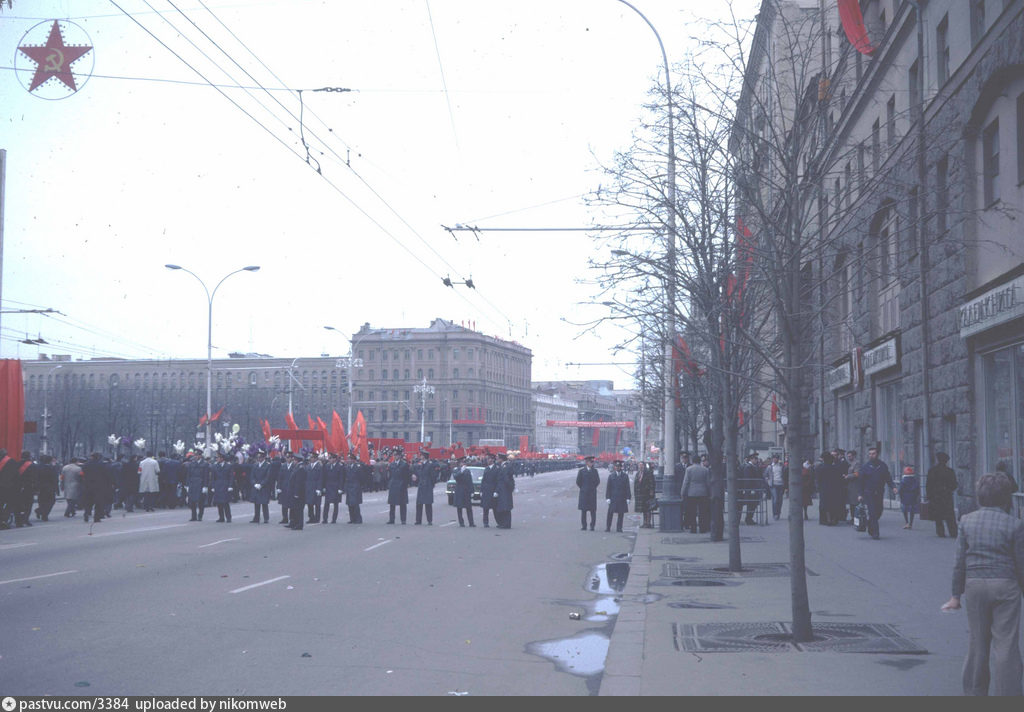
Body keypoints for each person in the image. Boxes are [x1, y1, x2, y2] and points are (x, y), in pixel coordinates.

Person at [941, 473, 1024, 696]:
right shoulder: (1015, 525)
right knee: (1006, 644)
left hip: (975, 586)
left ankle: (975, 693)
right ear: (1006, 498)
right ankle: (1008, 695)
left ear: (980, 497)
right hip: (1006, 586)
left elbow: (959, 561)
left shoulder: (967, 521)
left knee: (978, 641)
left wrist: (955, 595)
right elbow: (1021, 563)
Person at [857, 447, 896, 540]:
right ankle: (875, 532)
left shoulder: (882, 466)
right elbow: (861, 482)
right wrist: (860, 494)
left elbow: (888, 477)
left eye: (873, 453)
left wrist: (893, 487)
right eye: (870, 454)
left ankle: (870, 525)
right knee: (872, 512)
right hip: (868, 493)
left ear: (877, 454)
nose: (871, 455)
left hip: (879, 492)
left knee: (879, 511)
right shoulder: (865, 467)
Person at [927, 452, 959, 538]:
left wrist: (929, 496)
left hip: (936, 496)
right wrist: (948, 489)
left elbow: (929, 485)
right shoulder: (950, 471)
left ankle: (940, 532)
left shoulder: (932, 471)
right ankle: (953, 532)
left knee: (938, 515)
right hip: (947, 496)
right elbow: (954, 485)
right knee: (950, 515)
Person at [681, 454, 712, 533]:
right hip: (703, 492)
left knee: (692, 511)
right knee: (702, 512)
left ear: (692, 461)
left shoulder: (689, 469)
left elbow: (686, 482)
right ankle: (702, 528)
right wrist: (709, 492)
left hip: (692, 492)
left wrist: (683, 492)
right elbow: (708, 482)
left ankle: (693, 528)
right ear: (700, 461)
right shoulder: (705, 470)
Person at [81, 452, 112, 523]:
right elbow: (107, 475)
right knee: (99, 502)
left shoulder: (86, 465)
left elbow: (82, 475)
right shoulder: (102, 465)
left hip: (88, 485)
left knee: (88, 501)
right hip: (99, 486)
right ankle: (96, 517)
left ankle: (86, 513)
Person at [814, 452, 843, 526]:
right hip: (835, 488)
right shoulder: (836, 468)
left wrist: (818, 487)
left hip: (824, 488)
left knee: (825, 504)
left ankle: (827, 519)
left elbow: (818, 479)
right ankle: (833, 519)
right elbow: (839, 479)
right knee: (833, 504)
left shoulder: (820, 468)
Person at [605, 460, 631, 532]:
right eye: (616, 466)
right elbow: (608, 488)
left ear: (621, 467)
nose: (617, 468)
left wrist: (628, 498)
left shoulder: (625, 476)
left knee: (621, 513)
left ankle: (619, 528)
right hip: (613, 497)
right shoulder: (611, 476)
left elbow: (627, 488)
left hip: (622, 497)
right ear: (614, 467)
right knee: (610, 513)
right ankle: (608, 527)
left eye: (619, 466)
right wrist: (607, 497)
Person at [414, 451, 439, 525]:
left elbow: (434, 476)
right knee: (419, 503)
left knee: (428, 504)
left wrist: (431, 484)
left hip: (428, 485)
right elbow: (419, 474)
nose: (420, 456)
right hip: (421, 485)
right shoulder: (421, 464)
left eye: (421, 455)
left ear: (424, 456)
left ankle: (429, 520)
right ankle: (418, 520)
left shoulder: (430, 465)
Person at [576, 455, 600, 531]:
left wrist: (592, 487)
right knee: (584, 510)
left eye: (592, 462)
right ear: (586, 462)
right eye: (590, 462)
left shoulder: (595, 471)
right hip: (584, 493)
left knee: (593, 511)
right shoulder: (582, 471)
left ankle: (592, 525)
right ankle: (584, 525)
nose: (592, 463)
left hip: (592, 493)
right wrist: (583, 488)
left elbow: (597, 481)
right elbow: (578, 482)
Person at [249, 449, 273, 523]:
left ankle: (266, 518)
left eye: (260, 457)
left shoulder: (267, 465)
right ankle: (256, 518)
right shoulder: (255, 465)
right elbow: (252, 476)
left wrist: (261, 484)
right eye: (258, 457)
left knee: (264, 503)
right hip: (256, 486)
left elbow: (268, 477)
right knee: (256, 503)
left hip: (264, 487)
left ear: (263, 458)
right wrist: (254, 484)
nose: (258, 458)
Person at [387, 451, 411, 524]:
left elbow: (407, 475)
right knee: (392, 504)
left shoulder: (404, 464)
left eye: (396, 455)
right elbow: (390, 475)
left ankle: (403, 520)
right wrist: (390, 483)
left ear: (400, 456)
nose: (395, 456)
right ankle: (392, 519)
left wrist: (406, 484)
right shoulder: (391, 464)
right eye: (394, 455)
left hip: (402, 485)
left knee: (402, 504)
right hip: (393, 485)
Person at [184, 452, 209, 521]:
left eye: (197, 455)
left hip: (200, 484)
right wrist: (187, 485)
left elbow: (206, 476)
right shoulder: (191, 464)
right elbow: (188, 475)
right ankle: (193, 516)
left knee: (201, 501)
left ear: (200, 456)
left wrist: (205, 486)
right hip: (192, 484)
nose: (195, 456)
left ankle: (200, 515)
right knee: (192, 501)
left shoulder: (205, 464)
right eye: (195, 455)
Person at [451, 456, 475, 527]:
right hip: (459, 490)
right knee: (459, 507)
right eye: (462, 462)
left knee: (469, 508)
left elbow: (470, 481)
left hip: (466, 490)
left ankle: (471, 522)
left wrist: (472, 491)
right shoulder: (456, 470)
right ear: (459, 463)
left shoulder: (467, 470)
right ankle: (461, 522)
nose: (463, 464)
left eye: (464, 462)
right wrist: (461, 471)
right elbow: (456, 477)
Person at [739, 453, 762, 525]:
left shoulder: (754, 466)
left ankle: (749, 518)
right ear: (751, 459)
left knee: (753, 504)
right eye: (755, 459)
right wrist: (751, 489)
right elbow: (748, 479)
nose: (756, 460)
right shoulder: (748, 467)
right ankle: (748, 519)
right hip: (751, 489)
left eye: (757, 458)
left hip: (754, 488)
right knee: (751, 504)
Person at [34, 454, 59, 521]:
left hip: (41, 487)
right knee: (51, 501)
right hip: (50, 488)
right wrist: (57, 490)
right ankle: (43, 513)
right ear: (50, 461)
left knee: (42, 501)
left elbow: (36, 478)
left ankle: (41, 511)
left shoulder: (38, 467)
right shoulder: (52, 468)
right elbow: (55, 479)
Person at [286, 453, 308, 530]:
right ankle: (294, 522)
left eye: (294, 460)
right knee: (295, 508)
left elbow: (299, 482)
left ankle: (299, 524)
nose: (293, 461)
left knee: (298, 509)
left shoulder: (301, 468)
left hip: (299, 492)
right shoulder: (298, 467)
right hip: (295, 491)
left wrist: (296, 493)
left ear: (296, 460)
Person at [494, 452, 515, 529]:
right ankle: (503, 523)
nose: (496, 459)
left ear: (501, 458)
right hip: (502, 489)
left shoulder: (506, 466)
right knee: (502, 506)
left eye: (498, 458)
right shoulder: (502, 466)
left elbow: (507, 479)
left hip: (505, 489)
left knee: (506, 507)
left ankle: (506, 524)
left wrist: (510, 488)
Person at [211, 452, 234, 523]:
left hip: (225, 485)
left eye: (218, 458)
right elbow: (213, 477)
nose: (217, 459)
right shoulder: (215, 466)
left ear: (222, 458)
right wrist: (213, 486)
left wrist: (230, 485)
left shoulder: (228, 466)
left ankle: (228, 517)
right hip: (218, 485)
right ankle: (221, 517)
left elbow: (231, 477)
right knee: (219, 503)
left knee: (225, 502)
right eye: (217, 458)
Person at [342, 452, 365, 524]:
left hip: (356, 486)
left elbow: (361, 478)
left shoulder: (358, 467)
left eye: (349, 459)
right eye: (347, 459)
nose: (348, 460)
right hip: (349, 486)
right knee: (349, 504)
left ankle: (358, 519)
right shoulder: (347, 467)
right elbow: (345, 477)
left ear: (353, 460)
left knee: (355, 503)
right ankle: (352, 519)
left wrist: (359, 486)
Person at [763, 454, 787, 521]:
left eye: (776, 458)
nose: (775, 459)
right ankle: (775, 514)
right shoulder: (770, 467)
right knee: (775, 499)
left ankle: (778, 513)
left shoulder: (781, 466)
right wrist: (768, 481)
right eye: (774, 458)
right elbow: (765, 475)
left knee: (780, 500)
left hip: (781, 484)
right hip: (773, 485)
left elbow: (785, 474)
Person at [634, 460, 656, 529]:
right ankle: (644, 523)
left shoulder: (648, 473)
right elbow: (636, 484)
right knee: (643, 509)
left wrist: (651, 492)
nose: (640, 467)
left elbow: (652, 483)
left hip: (647, 494)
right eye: (639, 465)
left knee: (648, 509)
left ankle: (648, 523)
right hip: (640, 494)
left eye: (641, 465)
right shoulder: (638, 473)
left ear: (644, 466)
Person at [898, 465, 921, 530]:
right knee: (912, 509)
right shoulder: (915, 480)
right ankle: (911, 523)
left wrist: (900, 495)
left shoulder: (903, 481)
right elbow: (917, 489)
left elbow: (900, 489)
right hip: (913, 496)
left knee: (905, 509)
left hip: (904, 497)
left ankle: (906, 522)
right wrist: (916, 495)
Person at [479, 452, 498, 527]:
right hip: (486, 490)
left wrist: (496, 491)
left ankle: (498, 521)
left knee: (495, 508)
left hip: (492, 490)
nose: (488, 460)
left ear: (493, 460)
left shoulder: (496, 468)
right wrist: (481, 490)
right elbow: (483, 480)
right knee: (485, 508)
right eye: (488, 459)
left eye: (490, 459)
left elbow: (497, 481)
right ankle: (485, 522)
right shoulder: (486, 468)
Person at [277, 452, 296, 525]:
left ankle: (292, 519)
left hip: (291, 487)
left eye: (289, 457)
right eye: (287, 457)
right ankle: (285, 518)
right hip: (284, 487)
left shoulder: (294, 466)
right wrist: (278, 487)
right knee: (284, 504)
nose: (288, 459)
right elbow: (280, 477)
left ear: (292, 458)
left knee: (291, 504)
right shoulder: (283, 466)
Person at [306, 452, 325, 524]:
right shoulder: (308, 466)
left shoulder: (319, 466)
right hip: (309, 487)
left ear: (316, 458)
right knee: (309, 504)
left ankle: (317, 518)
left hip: (316, 487)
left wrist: (319, 488)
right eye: (310, 457)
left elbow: (321, 478)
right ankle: (311, 517)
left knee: (317, 504)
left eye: (312, 457)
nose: (311, 459)